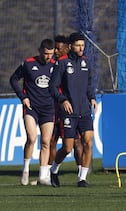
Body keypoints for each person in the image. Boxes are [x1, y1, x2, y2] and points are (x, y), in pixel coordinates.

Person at [49, 32, 97, 187]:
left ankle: (82, 178)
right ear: (71, 46)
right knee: (67, 148)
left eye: (83, 45)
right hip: (69, 112)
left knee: (88, 142)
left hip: (84, 109)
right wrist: (62, 100)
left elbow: (89, 85)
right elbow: (53, 87)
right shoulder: (62, 63)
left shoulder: (86, 62)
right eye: (78, 45)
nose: (81, 48)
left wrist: (92, 98)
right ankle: (54, 170)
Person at [9, 39, 56, 186]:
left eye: (51, 54)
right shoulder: (28, 63)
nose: (48, 57)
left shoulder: (56, 66)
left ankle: (42, 176)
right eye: (46, 53)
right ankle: (26, 170)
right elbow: (13, 79)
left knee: (46, 142)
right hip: (31, 107)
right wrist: (23, 97)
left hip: (48, 108)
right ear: (40, 51)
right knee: (32, 137)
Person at [48, 35, 84, 181]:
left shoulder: (74, 63)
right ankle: (48, 173)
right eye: (54, 48)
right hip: (53, 109)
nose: (55, 51)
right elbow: (52, 87)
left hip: (68, 110)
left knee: (77, 142)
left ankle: (81, 175)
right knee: (51, 141)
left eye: (58, 48)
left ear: (66, 47)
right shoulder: (53, 64)